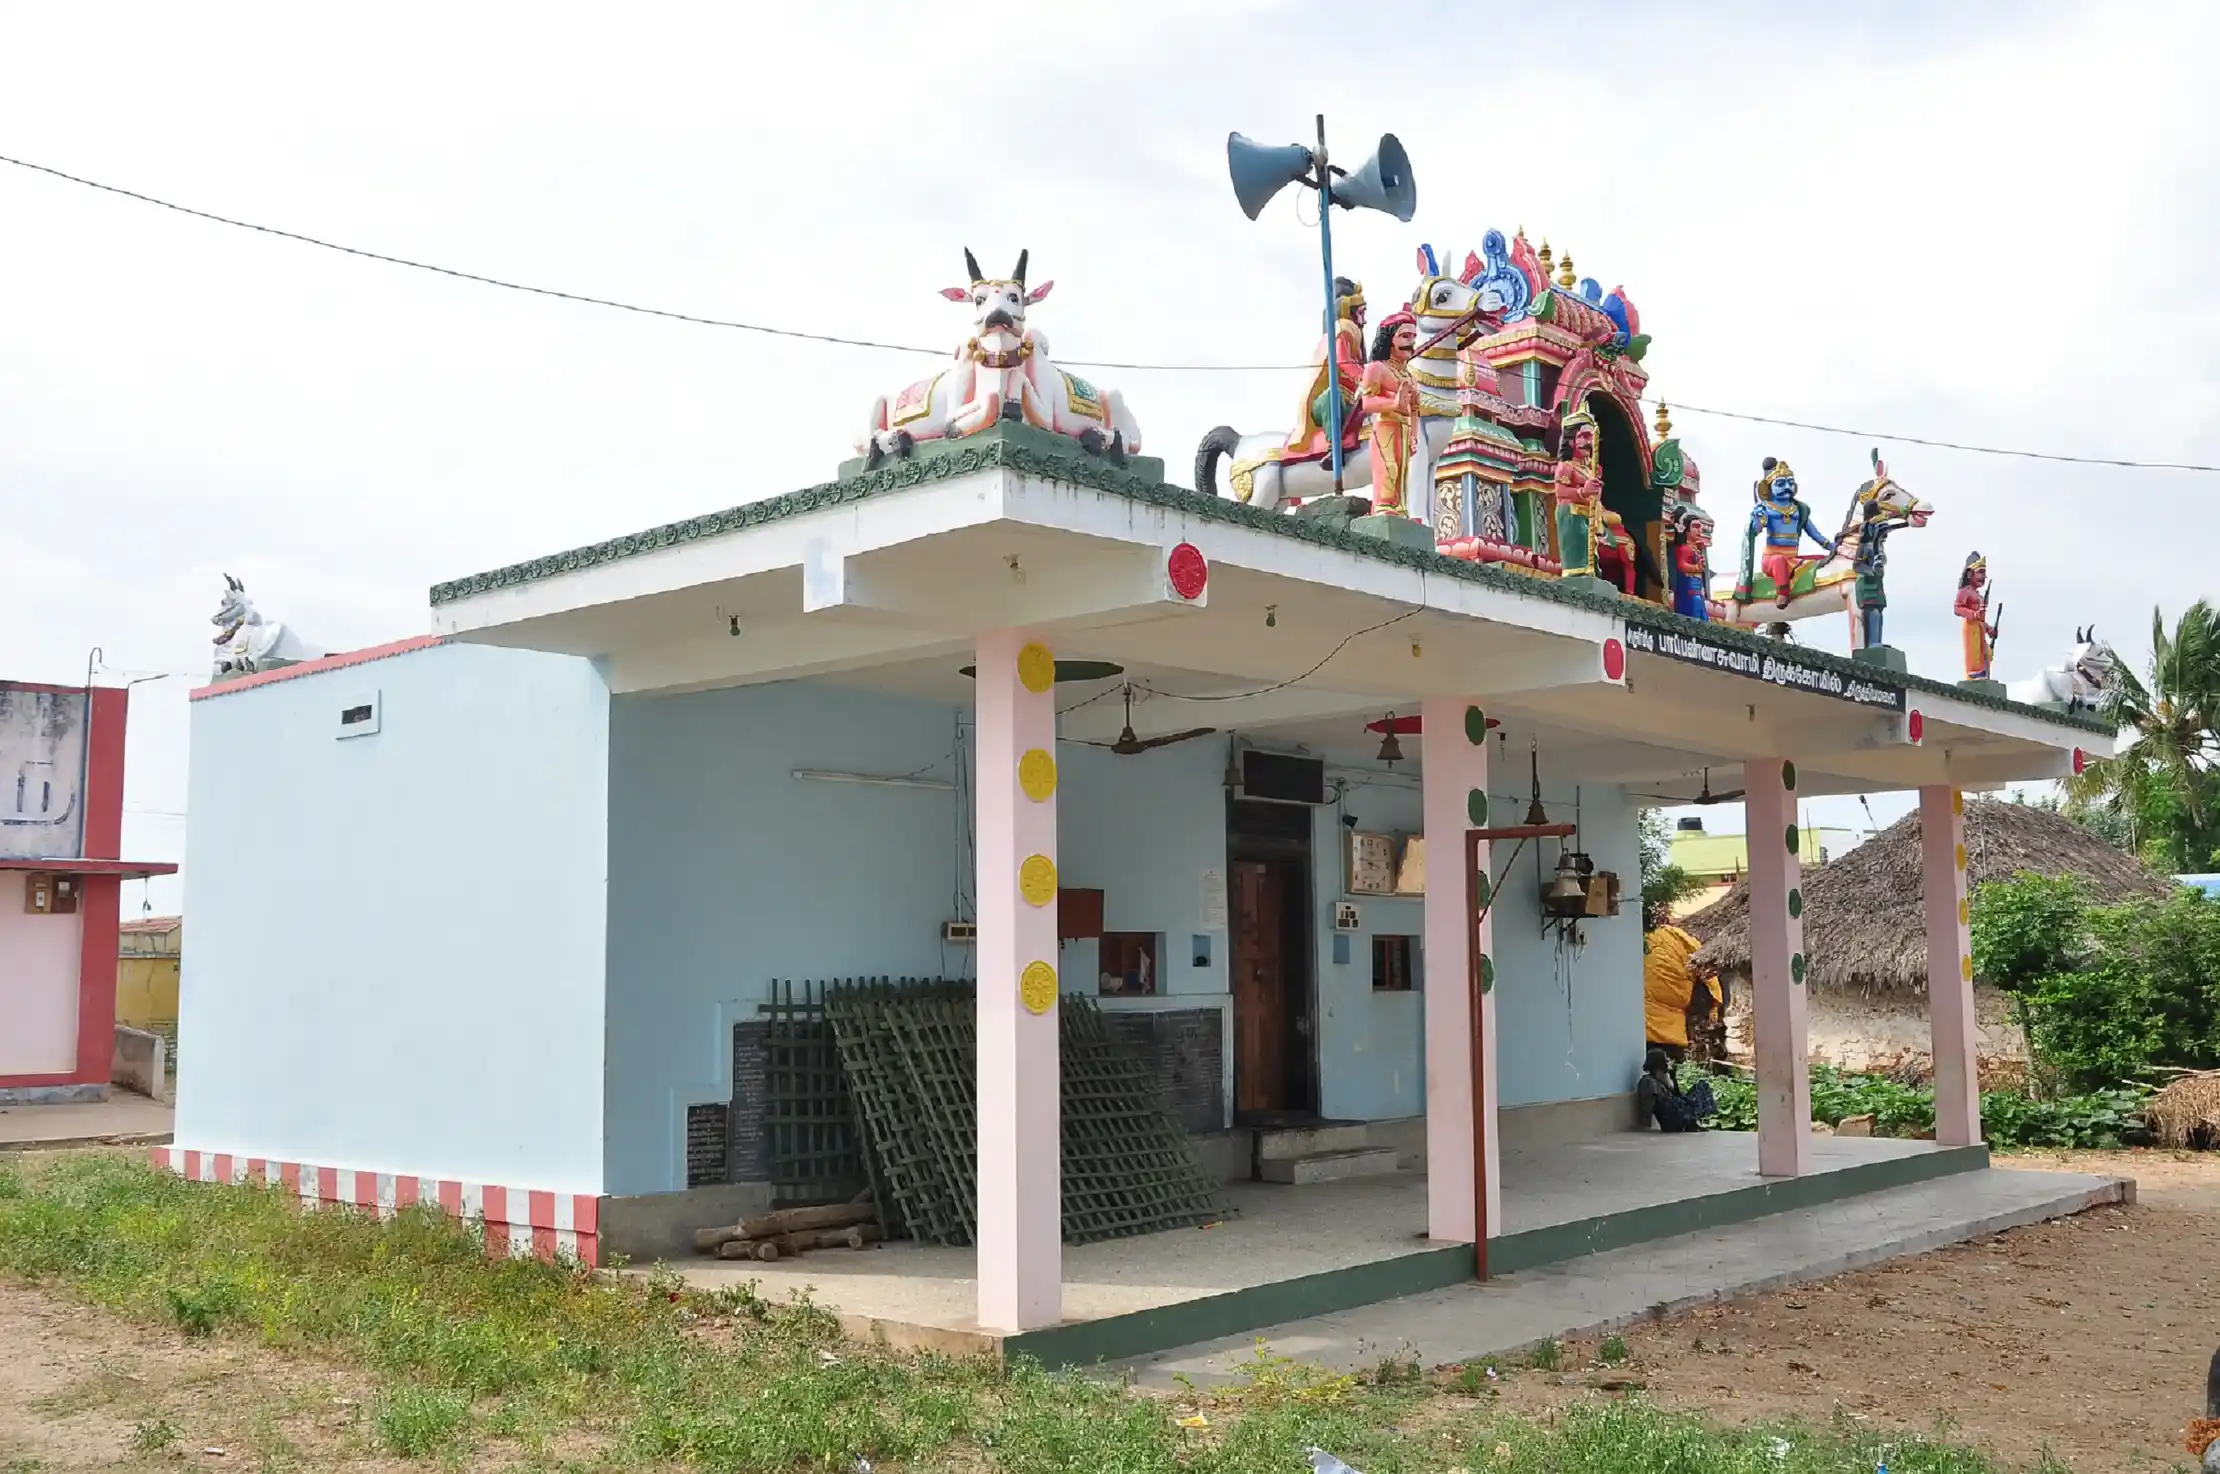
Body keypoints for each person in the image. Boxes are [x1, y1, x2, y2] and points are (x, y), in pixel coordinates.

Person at [1742, 457, 1836, 609]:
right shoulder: (1767, 508)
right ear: (1768, 488)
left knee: (1821, 561)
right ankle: (1783, 593)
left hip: (1793, 558)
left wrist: (1830, 546)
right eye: (1780, 484)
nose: (1787, 487)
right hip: (1771, 559)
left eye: (1790, 483)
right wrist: (1756, 519)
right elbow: (1756, 530)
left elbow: (1813, 532)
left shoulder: (1799, 509)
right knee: (1779, 561)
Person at [1358, 311, 1421, 515]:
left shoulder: (1410, 377)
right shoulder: (1377, 369)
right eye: (1405, 336)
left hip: (1404, 429)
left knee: (1403, 474)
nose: (1410, 342)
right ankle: (1383, 508)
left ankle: (1399, 510)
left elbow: (1415, 410)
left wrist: (1414, 436)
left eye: (1413, 337)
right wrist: (1393, 403)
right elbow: (1366, 403)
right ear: (1390, 340)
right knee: (1389, 469)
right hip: (1385, 427)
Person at [1641, 911, 1706, 1062]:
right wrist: (1716, 1001)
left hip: (1646, 1020)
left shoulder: (1642, 938)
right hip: (1672, 1023)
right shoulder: (1681, 939)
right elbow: (1704, 964)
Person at [1636, 1047, 1718, 1133]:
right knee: (1695, 1098)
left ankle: (1691, 1122)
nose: (1668, 1062)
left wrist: (1673, 1080)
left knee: (1702, 1085)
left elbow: (1676, 1095)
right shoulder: (1649, 1082)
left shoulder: (1663, 1078)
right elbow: (1648, 1106)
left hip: (1679, 1109)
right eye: (1666, 1060)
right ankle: (1690, 1122)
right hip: (1674, 1117)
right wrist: (1646, 1124)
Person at [1956, 551, 1999, 680]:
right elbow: (1957, 608)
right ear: (1970, 574)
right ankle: (1974, 673)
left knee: (1986, 653)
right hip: (1971, 625)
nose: (1983, 576)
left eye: (1984, 573)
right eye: (1980, 572)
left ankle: (1983, 673)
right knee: (1973, 651)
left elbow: (1981, 618)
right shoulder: (1965, 592)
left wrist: (1989, 629)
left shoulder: (1979, 596)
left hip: (1979, 626)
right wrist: (1973, 614)